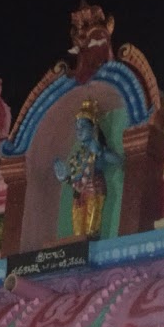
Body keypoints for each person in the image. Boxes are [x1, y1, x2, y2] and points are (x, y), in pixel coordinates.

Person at [54, 99, 122, 239]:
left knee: (91, 231)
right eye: (77, 128)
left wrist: (100, 152)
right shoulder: (77, 156)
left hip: (94, 189)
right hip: (78, 195)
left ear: (93, 128)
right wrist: (65, 177)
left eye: (83, 127)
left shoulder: (97, 150)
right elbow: (75, 179)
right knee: (78, 234)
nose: (79, 131)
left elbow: (118, 160)